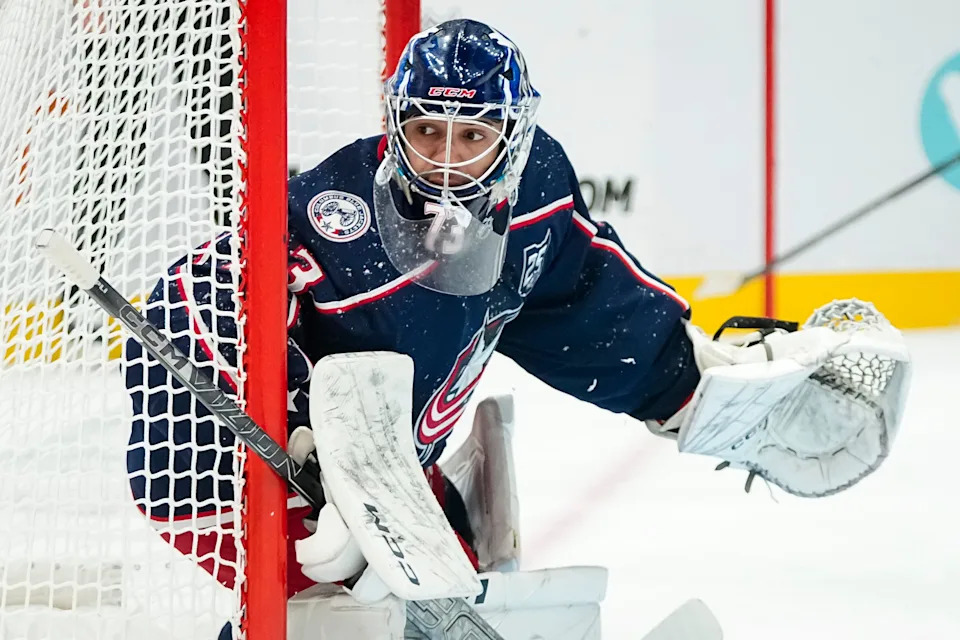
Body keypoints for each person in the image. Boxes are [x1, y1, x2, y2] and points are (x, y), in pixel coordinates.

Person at [123, 17, 909, 638]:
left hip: (389, 469)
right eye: (427, 132)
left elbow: (581, 298)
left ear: (514, 135)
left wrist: (690, 390)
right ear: (396, 125)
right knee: (359, 621)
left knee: (460, 583)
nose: (447, 160)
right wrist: (298, 428)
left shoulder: (534, 189)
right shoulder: (339, 222)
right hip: (224, 470)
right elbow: (185, 304)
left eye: (473, 136)